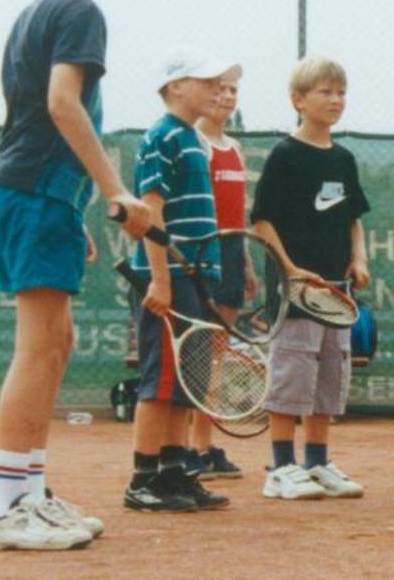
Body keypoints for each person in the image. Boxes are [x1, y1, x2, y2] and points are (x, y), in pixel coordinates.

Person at [0, 0, 153, 552]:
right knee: (40, 346)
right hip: (32, 190)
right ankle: (0, 509)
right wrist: (114, 190)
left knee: (57, 339)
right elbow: (60, 103)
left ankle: (28, 490)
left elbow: (32, 113)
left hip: (30, 189)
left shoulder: (37, 12)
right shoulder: (78, 10)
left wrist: (72, 206)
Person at [123, 52, 240, 515]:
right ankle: (142, 479)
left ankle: (174, 474)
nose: (216, 87)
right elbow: (150, 211)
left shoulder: (192, 138)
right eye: (206, 80)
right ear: (175, 87)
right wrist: (160, 280)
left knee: (186, 382)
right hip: (168, 278)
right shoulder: (161, 137)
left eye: (220, 81)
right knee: (160, 380)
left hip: (195, 275)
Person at [251, 57, 372, 501]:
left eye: (341, 92)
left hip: (335, 294)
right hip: (295, 292)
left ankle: (317, 463)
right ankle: (281, 468)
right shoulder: (286, 156)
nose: (336, 100)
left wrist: (358, 259)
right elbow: (262, 221)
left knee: (327, 374)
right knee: (292, 372)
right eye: (325, 92)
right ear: (298, 100)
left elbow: (353, 219)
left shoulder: (344, 159)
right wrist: (289, 269)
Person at [185, 67, 250, 481]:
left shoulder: (235, 147)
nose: (227, 96)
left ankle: (205, 446)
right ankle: (190, 446)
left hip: (232, 250)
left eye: (233, 90)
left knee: (218, 355)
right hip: (201, 252)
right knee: (197, 354)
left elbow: (237, 209)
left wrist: (243, 262)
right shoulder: (195, 142)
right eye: (220, 89)